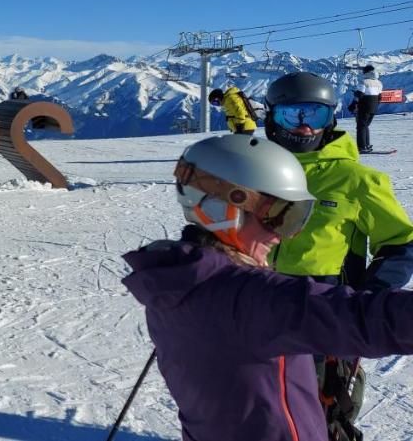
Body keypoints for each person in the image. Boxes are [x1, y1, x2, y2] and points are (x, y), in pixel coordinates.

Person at [123, 133, 413, 441]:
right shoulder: (251, 297)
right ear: (223, 208)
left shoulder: (174, 280)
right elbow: (364, 318)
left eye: (296, 218)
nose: (284, 235)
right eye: (277, 217)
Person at [263, 71, 413, 439]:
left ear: (330, 119)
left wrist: (367, 297)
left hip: (324, 308)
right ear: (271, 116)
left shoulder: (356, 180)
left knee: (320, 408)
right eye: (291, 115)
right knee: (259, 397)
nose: (302, 128)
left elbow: (401, 244)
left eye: (313, 116)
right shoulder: (256, 173)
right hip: (258, 303)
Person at [354, 65, 382, 153]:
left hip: (364, 106)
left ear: (367, 72)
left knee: (361, 126)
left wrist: (355, 93)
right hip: (374, 107)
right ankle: (367, 145)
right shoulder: (379, 83)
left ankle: (362, 147)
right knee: (365, 125)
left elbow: (360, 95)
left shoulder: (364, 82)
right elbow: (380, 97)